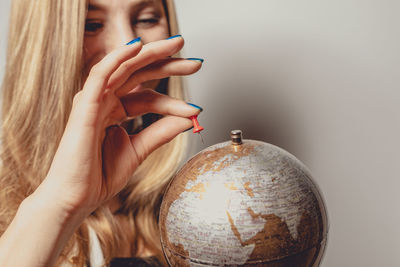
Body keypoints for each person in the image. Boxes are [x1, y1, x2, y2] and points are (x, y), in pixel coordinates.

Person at [0, 0, 203, 266]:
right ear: (42, 42)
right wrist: (61, 203)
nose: (127, 44)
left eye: (146, 19)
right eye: (91, 24)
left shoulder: (188, 204)